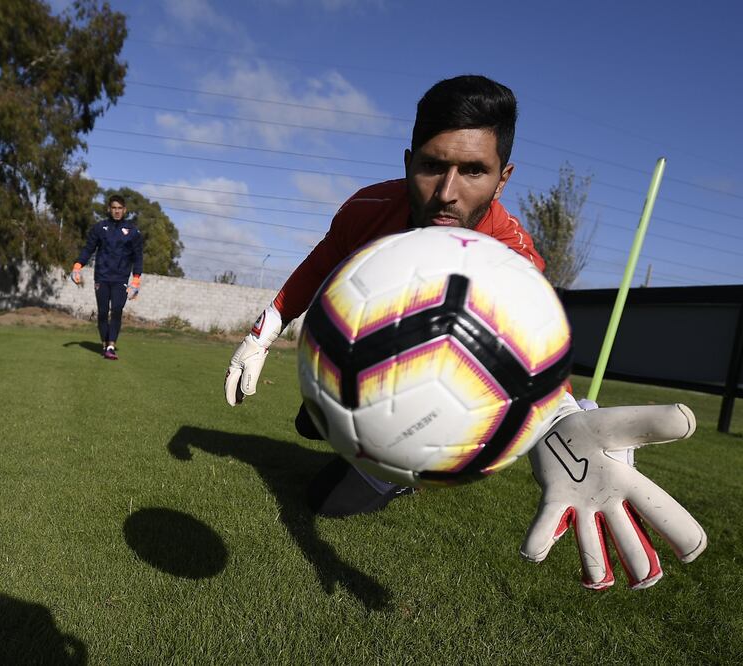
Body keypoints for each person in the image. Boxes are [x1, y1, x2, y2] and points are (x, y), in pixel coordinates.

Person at [223, 75, 706, 590]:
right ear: (408, 160)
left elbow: (529, 358)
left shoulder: (515, 260)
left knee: (323, 503)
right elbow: (317, 266)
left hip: (441, 399)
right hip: (382, 368)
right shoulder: (367, 209)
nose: (448, 193)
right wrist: (264, 330)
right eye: (433, 166)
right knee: (310, 421)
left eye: (474, 171)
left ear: (503, 178)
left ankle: (411, 468)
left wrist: (562, 419)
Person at [71, 195, 144, 360]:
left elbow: (138, 257)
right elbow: (88, 249)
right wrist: (77, 266)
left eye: (120, 208)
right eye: (114, 208)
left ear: (124, 210)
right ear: (109, 209)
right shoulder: (99, 228)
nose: (117, 211)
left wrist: (136, 280)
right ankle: (105, 343)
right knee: (103, 313)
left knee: (117, 310)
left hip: (121, 279)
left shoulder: (133, 232)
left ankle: (111, 345)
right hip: (102, 277)